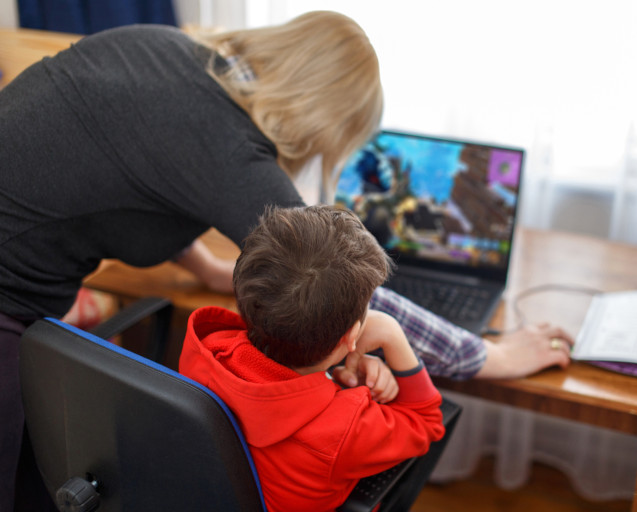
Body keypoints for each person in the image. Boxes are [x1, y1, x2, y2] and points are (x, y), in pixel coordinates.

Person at [0, 10, 572, 510]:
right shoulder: (232, 153)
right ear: (325, 120)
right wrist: (488, 355)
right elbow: (353, 289)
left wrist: (204, 268)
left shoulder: (167, 50)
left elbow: (136, 180)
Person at [179, 204, 445, 511]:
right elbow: (427, 422)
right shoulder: (345, 429)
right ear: (351, 337)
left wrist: (338, 382)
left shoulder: (207, 346)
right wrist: (392, 334)